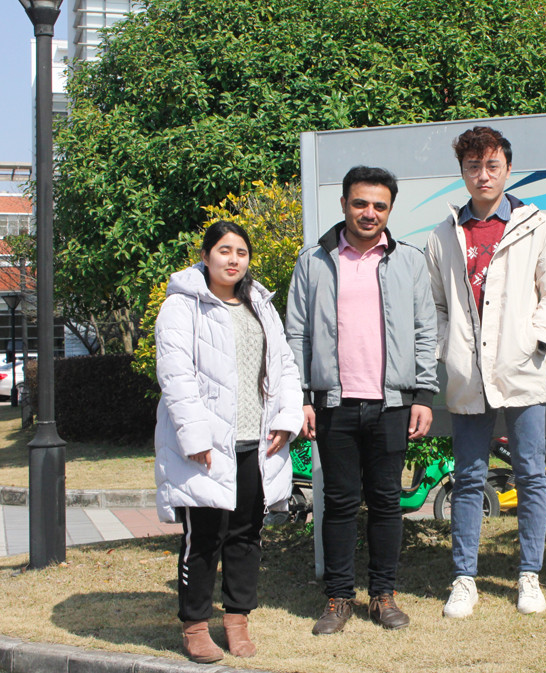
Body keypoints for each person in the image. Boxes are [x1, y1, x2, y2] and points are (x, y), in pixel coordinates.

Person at [286, 166, 438, 634]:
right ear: (344, 205)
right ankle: (338, 597)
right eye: (360, 203)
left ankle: (383, 595)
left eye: (379, 205)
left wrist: (423, 394)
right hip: (333, 404)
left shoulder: (408, 261)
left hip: (392, 404)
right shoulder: (314, 261)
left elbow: (425, 330)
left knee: (387, 501)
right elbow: (296, 333)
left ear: (389, 210)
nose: (369, 213)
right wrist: (301, 397)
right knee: (339, 502)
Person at [426, 126, 546, 617]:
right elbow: (434, 305)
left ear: (508, 168)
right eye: (473, 166)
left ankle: (529, 575)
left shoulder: (535, 225)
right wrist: (447, 348)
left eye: (491, 166)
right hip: (467, 373)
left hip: (521, 369)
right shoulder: (444, 234)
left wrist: (536, 340)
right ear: (462, 172)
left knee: (530, 474)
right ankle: (464, 579)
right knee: (468, 477)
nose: (482, 175)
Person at [154, 221, 304, 663]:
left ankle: (237, 620)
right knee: (203, 537)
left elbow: (285, 366)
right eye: (224, 250)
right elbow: (175, 375)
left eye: (241, 251)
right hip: (206, 444)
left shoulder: (260, 304)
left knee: (246, 535)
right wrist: (194, 435)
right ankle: (195, 626)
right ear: (205, 256)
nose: (233, 259)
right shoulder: (182, 306)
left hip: (257, 442)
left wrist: (287, 420)